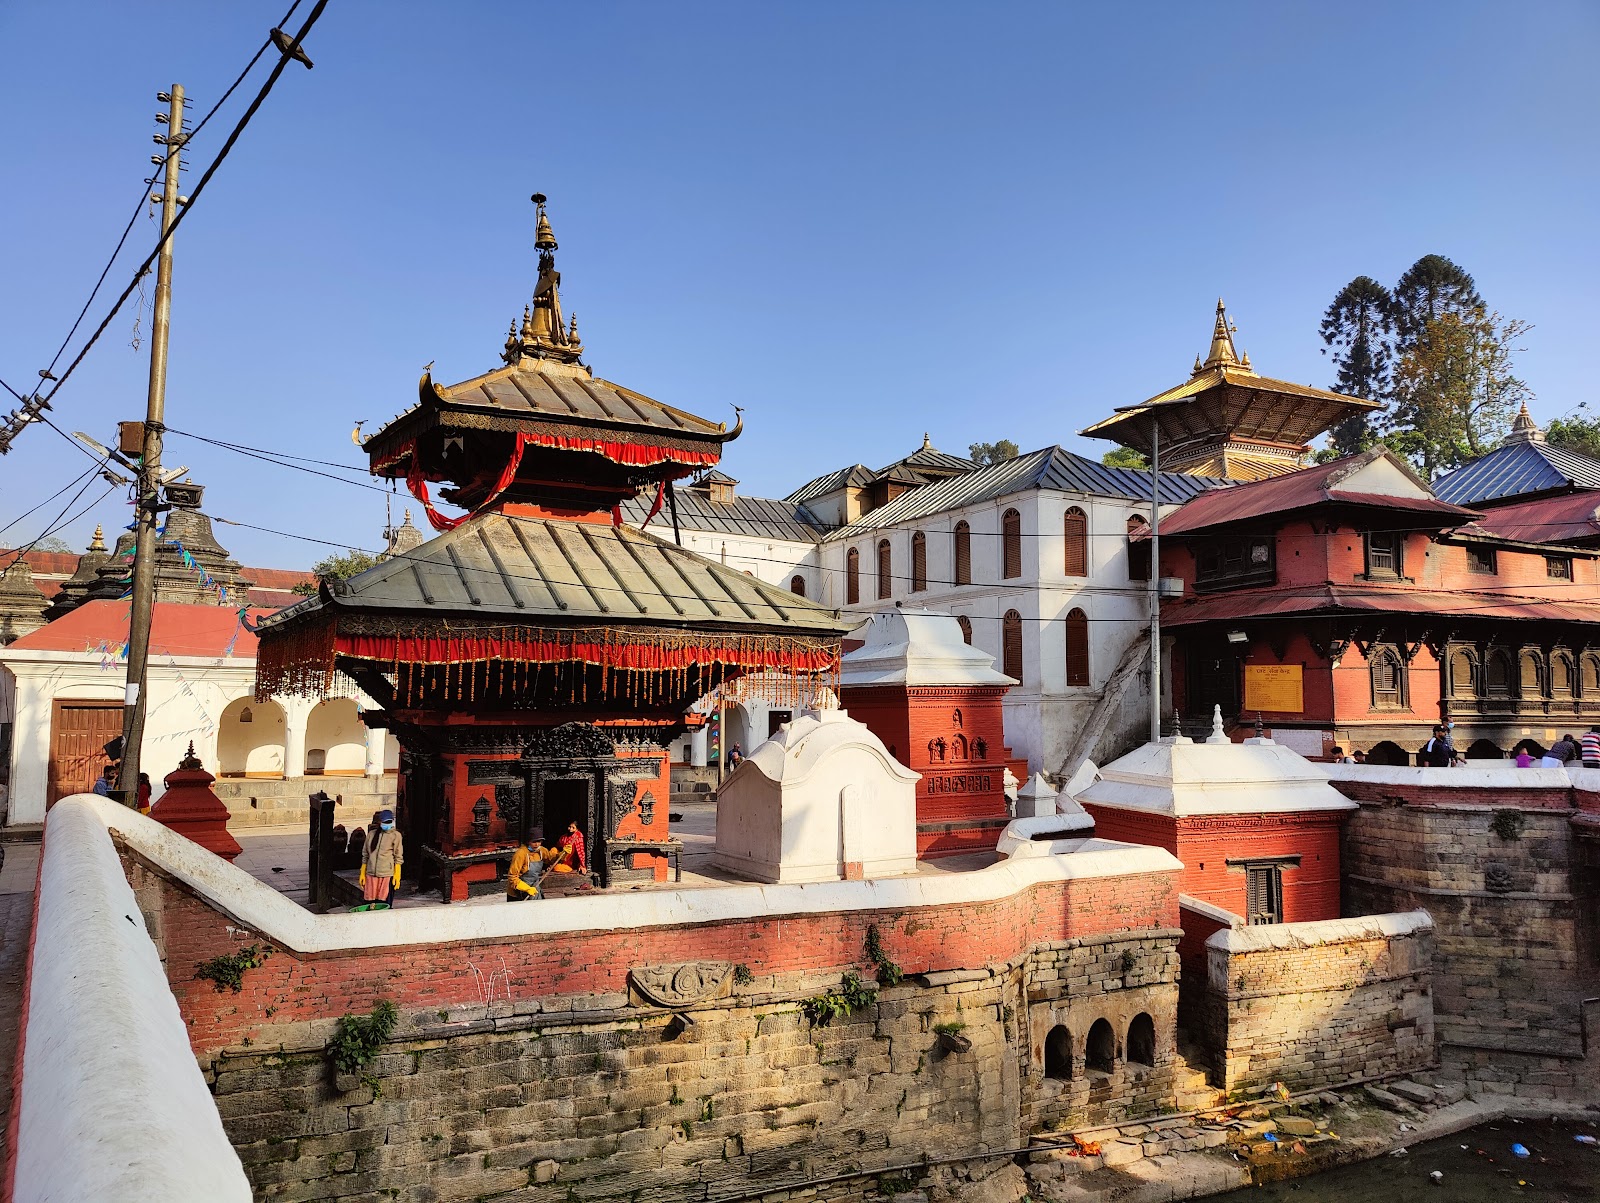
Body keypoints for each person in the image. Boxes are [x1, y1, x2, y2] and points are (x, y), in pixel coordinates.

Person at [358, 809, 403, 906]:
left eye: (389, 821)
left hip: (386, 875)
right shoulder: (371, 834)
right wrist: (362, 872)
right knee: (369, 904)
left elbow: (398, 857)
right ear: (380, 822)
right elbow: (365, 854)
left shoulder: (396, 836)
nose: (387, 823)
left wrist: (397, 875)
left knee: (383, 904)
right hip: (371, 875)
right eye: (385, 822)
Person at [506, 833, 547, 901]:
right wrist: (526, 888)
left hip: (534, 888)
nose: (537, 844)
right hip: (518, 893)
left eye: (539, 842)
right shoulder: (520, 854)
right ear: (528, 842)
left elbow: (552, 859)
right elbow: (512, 877)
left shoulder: (541, 851)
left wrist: (563, 853)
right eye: (534, 842)